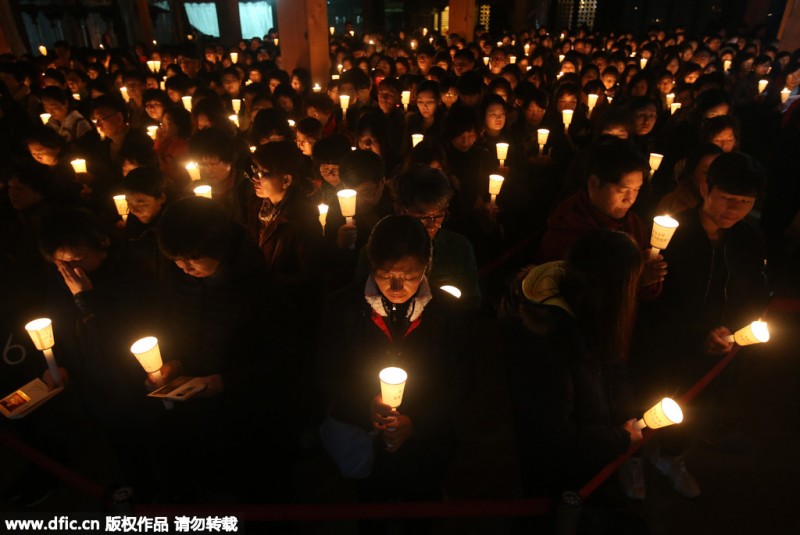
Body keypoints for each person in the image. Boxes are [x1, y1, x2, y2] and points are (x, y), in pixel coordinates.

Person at [632, 151, 770, 498]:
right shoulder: (673, 233)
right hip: (665, 346)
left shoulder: (749, 239)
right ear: (706, 187)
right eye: (726, 199)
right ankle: (631, 459)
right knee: (646, 399)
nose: (734, 210)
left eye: (744, 202)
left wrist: (731, 332)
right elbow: (654, 303)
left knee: (697, 407)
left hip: (719, 349)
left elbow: (755, 292)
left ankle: (672, 457)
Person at [501, 229, 644, 529]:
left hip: (587, 460)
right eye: (631, 282)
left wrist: (625, 412)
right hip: (559, 478)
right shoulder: (549, 340)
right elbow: (551, 434)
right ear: (612, 287)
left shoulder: (585, 316)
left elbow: (609, 372)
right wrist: (620, 438)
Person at [317, 215, 462, 509]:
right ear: (372, 264)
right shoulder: (343, 308)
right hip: (363, 434)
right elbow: (325, 372)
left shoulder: (446, 313)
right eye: (385, 274)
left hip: (425, 442)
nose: (396, 286)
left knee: (420, 503)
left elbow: (461, 379)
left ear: (426, 264)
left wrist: (417, 421)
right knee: (371, 505)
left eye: (409, 276)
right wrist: (364, 404)